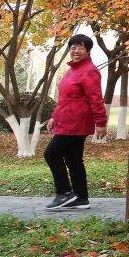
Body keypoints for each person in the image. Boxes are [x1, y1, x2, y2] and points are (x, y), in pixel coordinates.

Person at [44, 34, 108, 210]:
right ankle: (81, 198)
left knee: (51, 154)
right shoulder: (71, 71)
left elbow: (96, 99)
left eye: (80, 47)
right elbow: (64, 98)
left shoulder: (89, 71)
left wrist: (101, 122)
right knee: (73, 159)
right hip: (65, 120)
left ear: (88, 51)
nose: (76, 50)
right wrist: (53, 116)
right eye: (73, 47)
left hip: (75, 123)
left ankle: (65, 193)